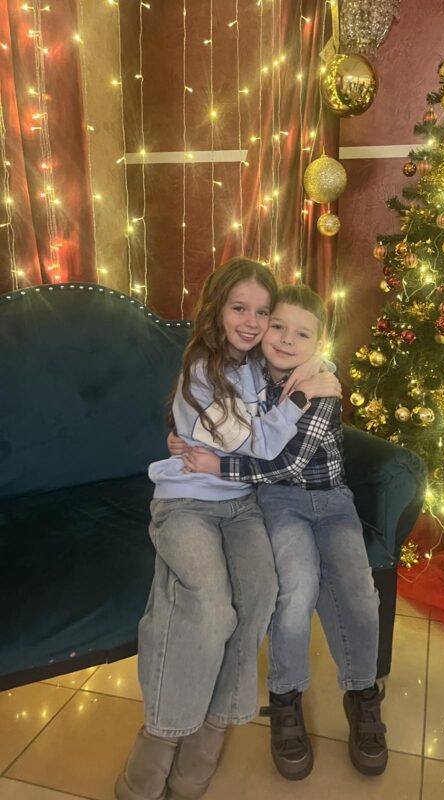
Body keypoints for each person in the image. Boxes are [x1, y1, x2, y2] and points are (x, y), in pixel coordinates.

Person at [115, 259, 341, 800]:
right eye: (240, 308)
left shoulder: (260, 361)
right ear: (217, 309)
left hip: (241, 504)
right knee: (209, 608)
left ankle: (210, 736)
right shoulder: (201, 367)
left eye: (263, 312)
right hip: (186, 503)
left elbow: (311, 351)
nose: (253, 322)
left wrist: (320, 373)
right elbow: (259, 441)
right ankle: (161, 739)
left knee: (260, 593)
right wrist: (303, 396)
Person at [177, 284, 386, 782]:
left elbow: (284, 460)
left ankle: (362, 694)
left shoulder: (322, 384)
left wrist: (219, 467)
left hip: (332, 501)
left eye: (302, 334)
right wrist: (185, 437)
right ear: (265, 328)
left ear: (318, 343)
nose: (287, 340)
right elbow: (225, 424)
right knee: (295, 588)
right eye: (278, 327)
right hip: (279, 503)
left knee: (359, 591)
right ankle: (286, 698)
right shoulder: (248, 378)